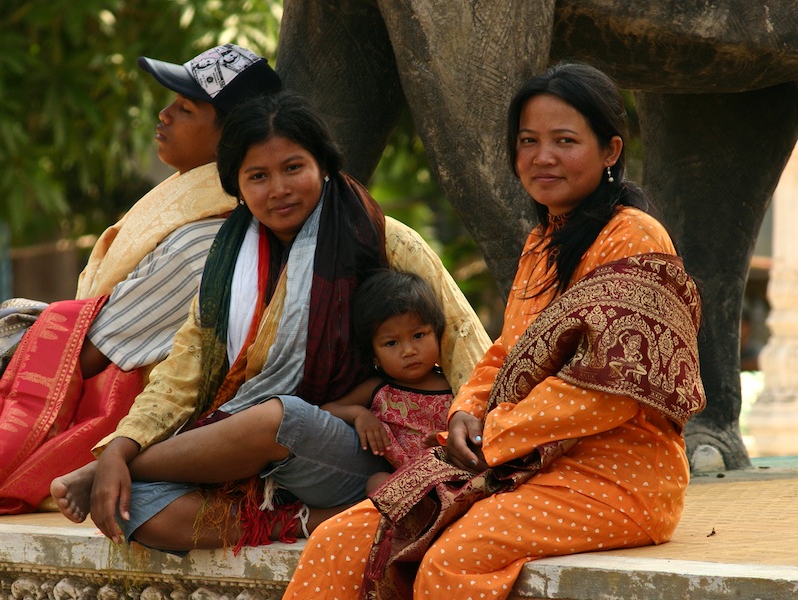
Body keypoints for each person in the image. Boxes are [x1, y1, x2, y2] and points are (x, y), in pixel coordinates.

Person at [282, 62, 706, 599]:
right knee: (341, 538)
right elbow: (508, 350)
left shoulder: (635, 237)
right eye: (528, 140)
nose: (542, 156)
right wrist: (467, 411)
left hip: (617, 479)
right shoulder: (543, 241)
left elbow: (606, 389)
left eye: (565, 140)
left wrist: (494, 434)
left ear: (611, 152)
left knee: (451, 565)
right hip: (516, 463)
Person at [50, 91, 491, 554]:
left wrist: (466, 414)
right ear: (237, 187)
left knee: (281, 417)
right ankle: (305, 520)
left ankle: (110, 469)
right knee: (135, 510)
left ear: (323, 164)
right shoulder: (225, 264)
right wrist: (124, 442)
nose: (278, 189)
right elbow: (183, 373)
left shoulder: (381, 236)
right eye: (258, 176)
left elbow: (462, 337)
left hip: (373, 454)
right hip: (261, 466)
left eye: (293, 168)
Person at [0, 44, 281, 521]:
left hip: (120, 412)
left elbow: (91, 353)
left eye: (185, 109)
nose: (164, 115)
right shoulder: (197, 210)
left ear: (232, 136)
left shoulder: (206, 241)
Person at [320, 269, 453, 494]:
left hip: (457, 474)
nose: (409, 351)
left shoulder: (454, 383)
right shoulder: (379, 389)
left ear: (437, 334)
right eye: (391, 343)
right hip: (410, 488)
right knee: (376, 481)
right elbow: (327, 410)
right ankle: (420, 522)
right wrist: (360, 415)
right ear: (374, 356)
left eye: (418, 335)